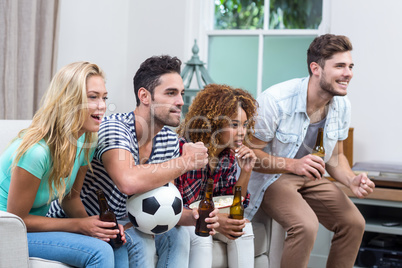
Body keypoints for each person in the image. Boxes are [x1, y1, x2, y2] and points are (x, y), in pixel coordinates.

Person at [48, 55, 219, 268]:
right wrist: (185, 161)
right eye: (171, 93)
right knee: (142, 242)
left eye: (181, 94)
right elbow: (127, 181)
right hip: (85, 220)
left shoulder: (169, 140)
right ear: (144, 96)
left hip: (126, 222)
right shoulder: (114, 128)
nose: (181, 102)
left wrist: (193, 217)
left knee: (180, 235)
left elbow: (166, 203)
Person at [245, 34, 376, 268]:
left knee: (354, 222)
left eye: (350, 66)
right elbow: (249, 153)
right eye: (339, 66)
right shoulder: (276, 101)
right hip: (274, 178)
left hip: (311, 177)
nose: (348, 73)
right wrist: (292, 164)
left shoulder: (341, 105)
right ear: (316, 68)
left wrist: (351, 179)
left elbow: (336, 156)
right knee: (305, 225)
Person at [0, 61, 128, 267]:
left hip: (32, 228)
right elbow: (18, 219)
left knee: (115, 245)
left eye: (104, 97)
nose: (102, 105)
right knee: (100, 252)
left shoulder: (87, 140)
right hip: (8, 231)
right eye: (93, 97)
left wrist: (99, 228)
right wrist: (80, 225)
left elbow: (71, 197)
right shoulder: (36, 152)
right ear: (69, 100)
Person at [175, 83, 258, 268]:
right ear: (213, 124)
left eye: (245, 125)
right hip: (185, 221)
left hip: (207, 216)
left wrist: (246, 171)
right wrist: (216, 221)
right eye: (234, 125)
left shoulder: (227, 155)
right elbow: (179, 207)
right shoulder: (185, 150)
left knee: (243, 225)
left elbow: (232, 202)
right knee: (203, 231)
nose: (242, 132)